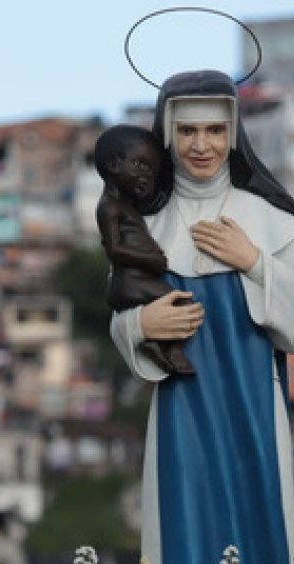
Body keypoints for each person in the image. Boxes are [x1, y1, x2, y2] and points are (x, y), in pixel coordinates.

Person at [109, 70, 294, 564]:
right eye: (187, 132)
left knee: (261, 523)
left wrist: (253, 261)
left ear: (234, 134)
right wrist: (140, 325)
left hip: (252, 403)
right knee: (184, 522)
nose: (202, 145)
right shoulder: (144, 228)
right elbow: (121, 318)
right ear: (167, 135)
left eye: (215, 131)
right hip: (184, 407)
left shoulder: (274, 222)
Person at [95, 125, 195, 376]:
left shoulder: (128, 206)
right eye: (140, 165)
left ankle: (164, 347)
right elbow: (114, 248)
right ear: (115, 164)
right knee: (181, 302)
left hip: (138, 278)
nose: (145, 175)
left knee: (180, 303)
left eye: (151, 171)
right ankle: (166, 349)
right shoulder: (109, 207)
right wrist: (150, 259)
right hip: (129, 282)